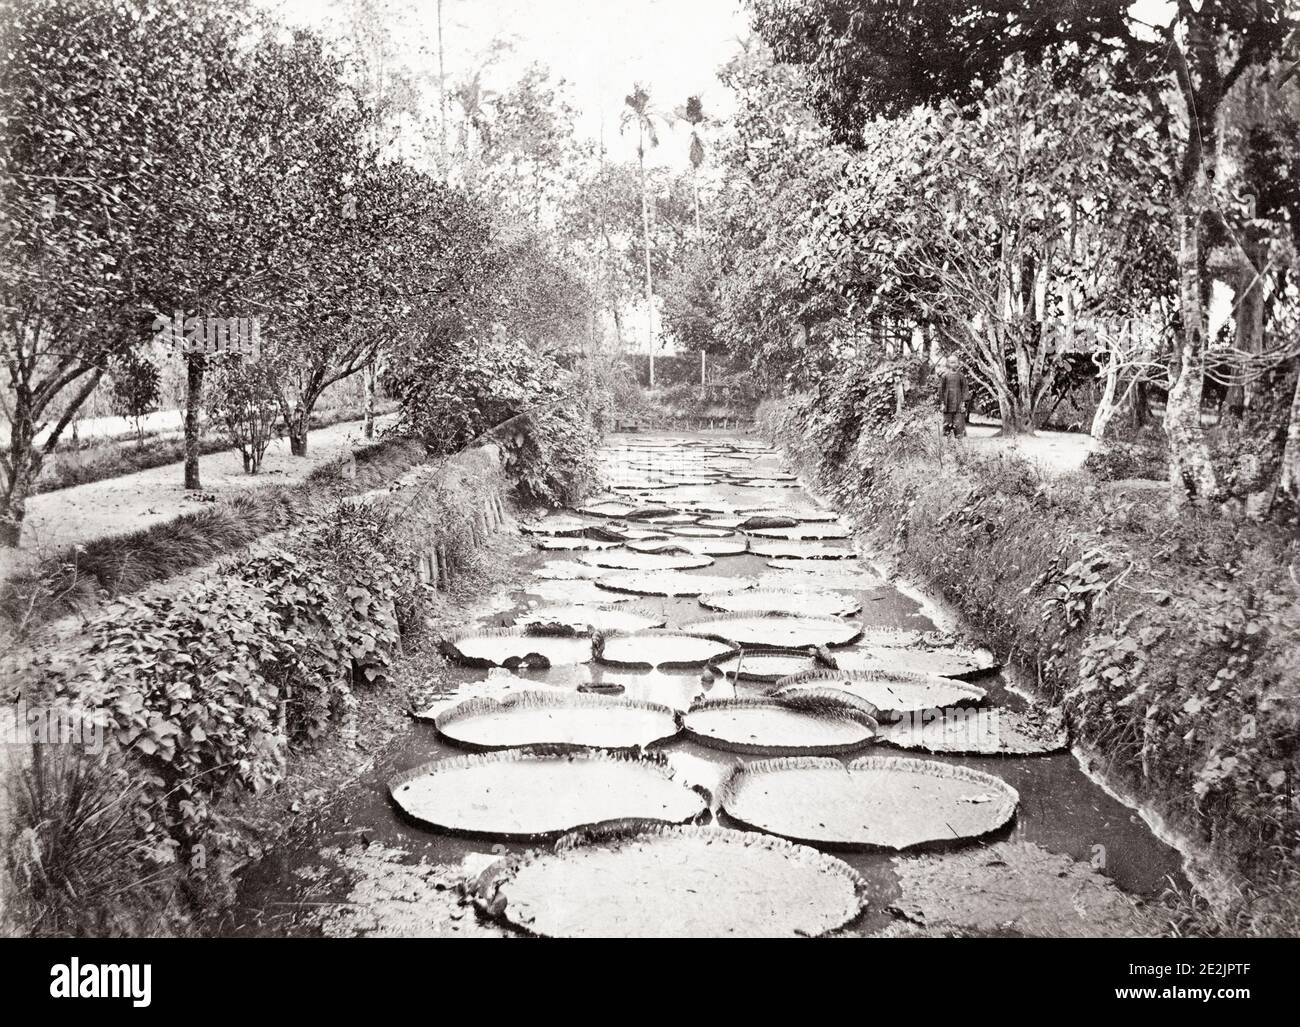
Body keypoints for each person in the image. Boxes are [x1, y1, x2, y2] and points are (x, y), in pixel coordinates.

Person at [936, 357, 969, 437]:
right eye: (951, 362)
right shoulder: (945, 376)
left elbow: (965, 389)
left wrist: (964, 402)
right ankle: (949, 442)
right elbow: (941, 389)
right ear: (948, 364)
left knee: (959, 424)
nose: (953, 364)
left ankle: (959, 442)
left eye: (955, 362)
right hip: (948, 403)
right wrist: (942, 403)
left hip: (958, 402)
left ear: (958, 363)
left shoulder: (961, 376)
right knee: (947, 423)